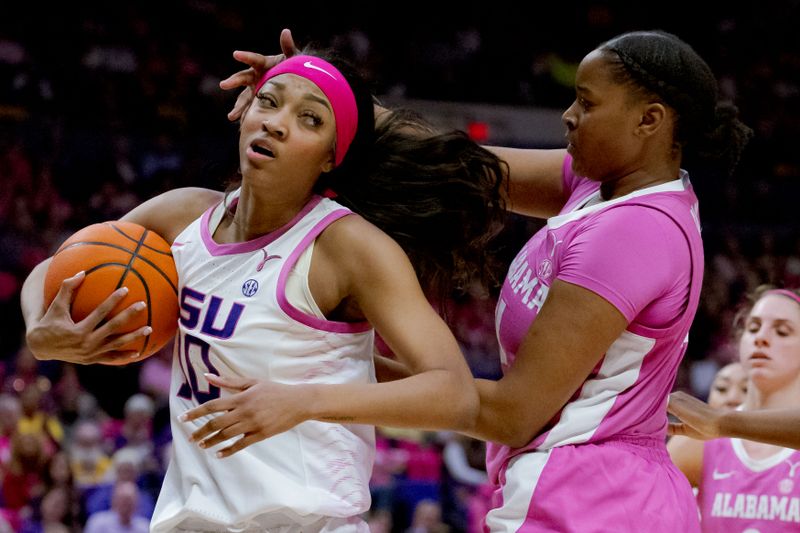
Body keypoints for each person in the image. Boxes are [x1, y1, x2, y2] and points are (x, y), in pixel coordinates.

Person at [225, 28, 751, 531]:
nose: (568, 116)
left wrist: (325, 369)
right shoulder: (601, 187)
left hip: (595, 500)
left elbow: (511, 414)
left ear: (649, 120)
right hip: (580, 488)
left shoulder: (632, 233)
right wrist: (316, 93)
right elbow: (458, 162)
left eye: (587, 104)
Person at [21, 44, 509, 531]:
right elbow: (55, 269)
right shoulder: (183, 215)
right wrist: (39, 332)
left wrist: (305, 400)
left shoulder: (347, 247)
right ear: (245, 112)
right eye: (269, 101)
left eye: (310, 120)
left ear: (329, 159)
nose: (276, 123)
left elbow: (454, 393)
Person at [668, 286, 800, 531]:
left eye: (782, 332)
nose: (762, 337)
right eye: (753, 328)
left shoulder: (713, 426)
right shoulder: (697, 442)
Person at [668, 391, 800, 449]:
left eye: (782, 333)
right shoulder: (689, 445)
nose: (732, 398)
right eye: (721, 388)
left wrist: (721, 421)